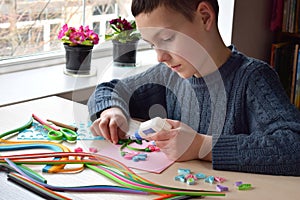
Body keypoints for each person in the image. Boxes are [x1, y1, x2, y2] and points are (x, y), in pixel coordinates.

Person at [88, 0, 300, 176]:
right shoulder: (168, 75)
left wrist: (201, 146)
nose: (160, 56)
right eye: (153, 44)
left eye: (167, 38)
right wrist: (113, 111)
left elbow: (294, 146)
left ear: (205, 17)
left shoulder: (253, 78)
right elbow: (110, 90)